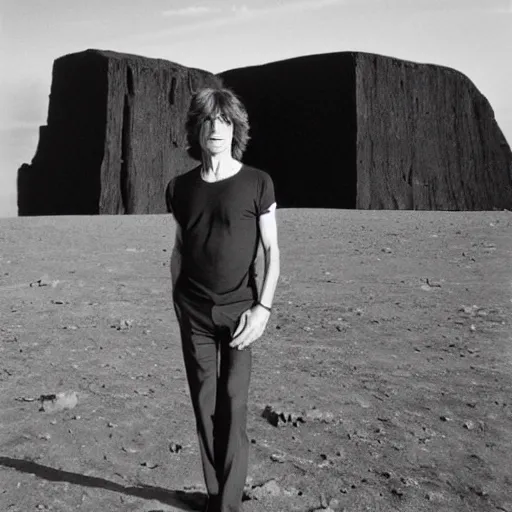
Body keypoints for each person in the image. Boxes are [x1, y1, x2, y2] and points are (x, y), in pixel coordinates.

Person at [165, 87, 280, 512]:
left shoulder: (257, 182)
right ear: (196, 129)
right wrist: (177, 299)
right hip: (192, 309)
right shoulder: (179, 187)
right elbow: (178, 248)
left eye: (224, 121)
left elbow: (273, 252)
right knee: (204, 402)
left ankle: (228, 506)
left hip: (241, 311)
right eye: (208, 121)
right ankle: (216, 497)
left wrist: (262, 308)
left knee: (233, 401)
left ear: (235, 129)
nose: (215, 129)